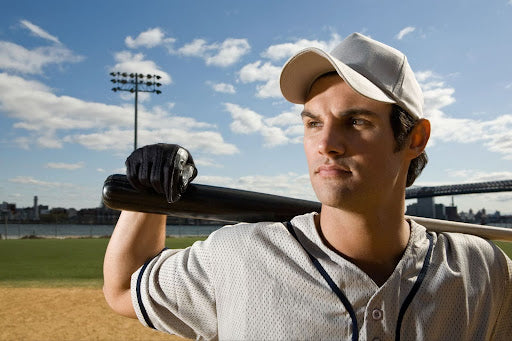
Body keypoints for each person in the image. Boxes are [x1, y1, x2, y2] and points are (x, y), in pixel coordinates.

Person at [103, 33, 512, 340]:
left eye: (357, 121)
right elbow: (124, 288)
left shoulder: (484, 270)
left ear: (414, 139)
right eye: (313, 123)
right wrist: (149, 198)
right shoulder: (238, 255)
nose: (326, 144)